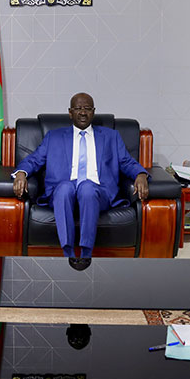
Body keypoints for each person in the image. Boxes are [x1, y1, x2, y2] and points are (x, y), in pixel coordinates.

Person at [12, 93, 150, 265]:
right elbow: (34, 160)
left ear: (93, 112)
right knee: (65, 188)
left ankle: (86, 252)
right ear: (70, 113)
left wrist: (141, 174)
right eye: (78, 108)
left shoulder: (111, 136)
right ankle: (68, 251)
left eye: (87, 108)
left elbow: (126, 162)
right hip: (62, 191)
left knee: (87, 188)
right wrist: (21, 173)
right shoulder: (54, 137)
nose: (83, 112)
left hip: (99, 192)